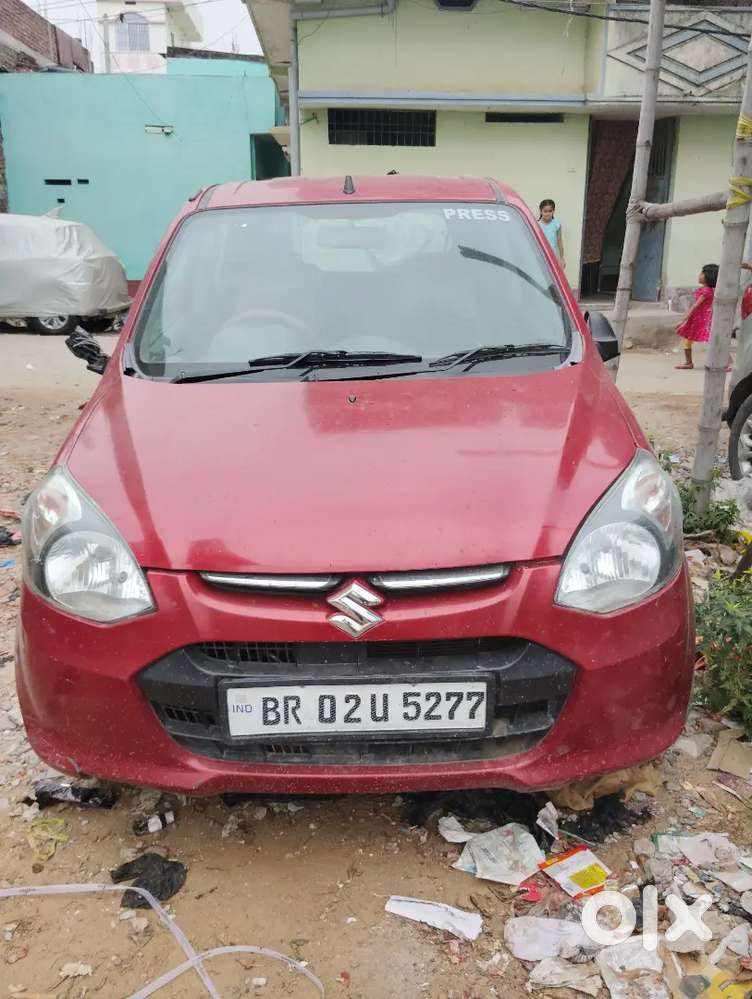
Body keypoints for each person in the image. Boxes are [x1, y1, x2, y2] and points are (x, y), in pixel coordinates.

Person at [675, 263, 718, 370]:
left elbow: (695, 306)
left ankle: (726, 361)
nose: (699, 275)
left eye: (702, 273)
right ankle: (688, 363)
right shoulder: (706, 290)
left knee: (712, 340)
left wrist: (684, 318)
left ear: (708, 276)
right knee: (688, 340)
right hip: (698, 319)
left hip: (702, 320)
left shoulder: (706, 291)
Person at [538, 199, 564, 267]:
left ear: (553, 211)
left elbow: (559, 241)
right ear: (541, 211)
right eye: (545, 211)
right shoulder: (537, 225)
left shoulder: (556, 225)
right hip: (540, 255)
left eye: (550, 211)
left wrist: (562, 258)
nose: (548, 213)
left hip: (552, 256)